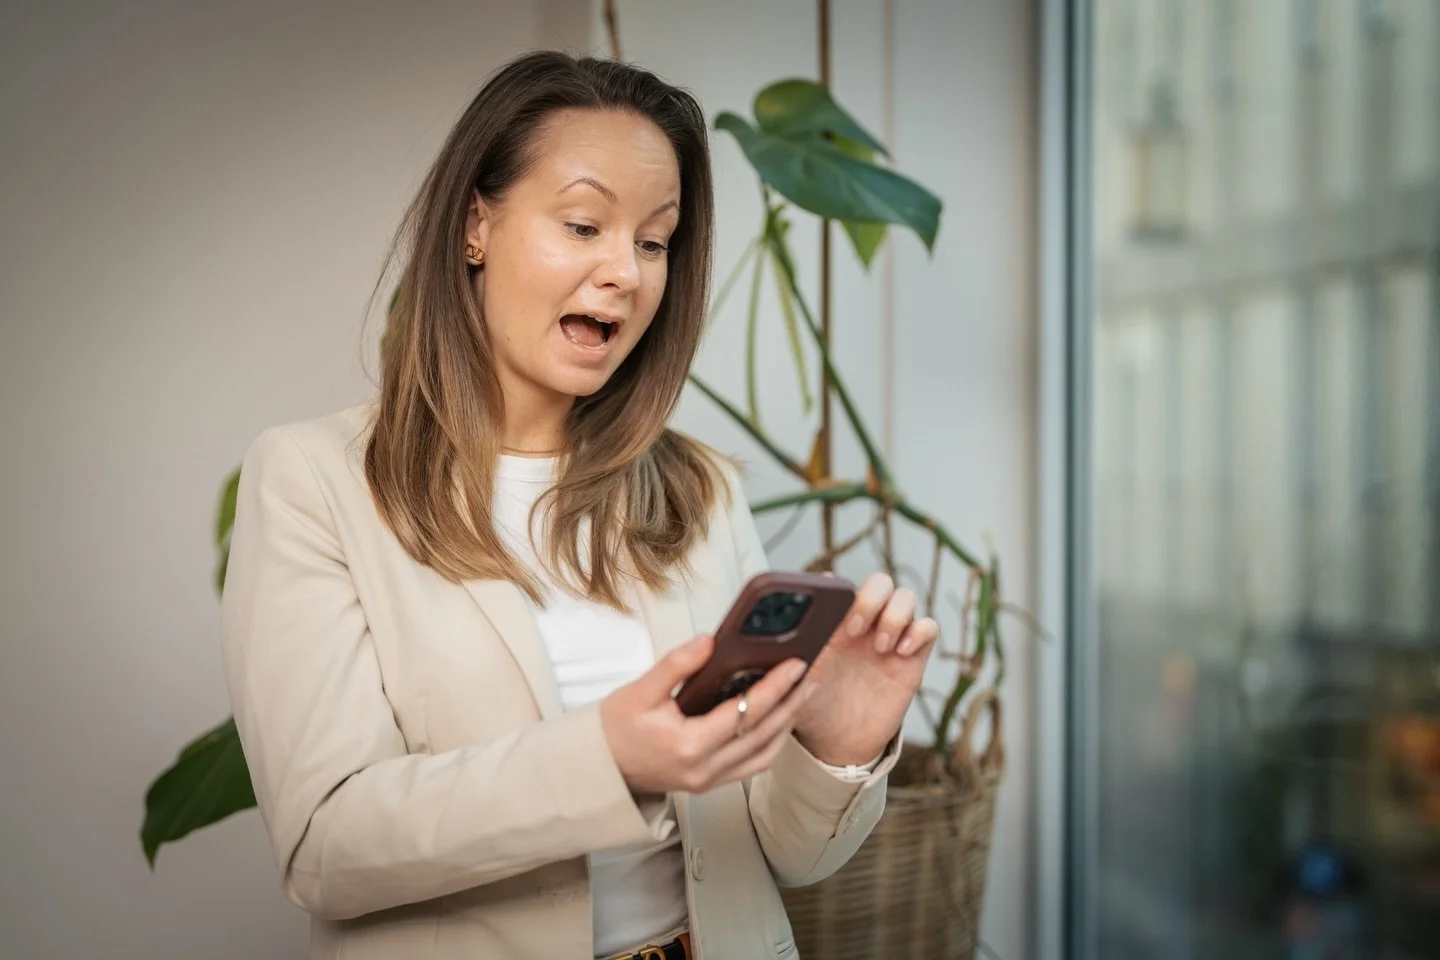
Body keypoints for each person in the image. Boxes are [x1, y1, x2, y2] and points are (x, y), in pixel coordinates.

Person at [220, 50, 939, 960]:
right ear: (475, 226)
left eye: (654, 241)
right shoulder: (313, 482)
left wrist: (838, 746)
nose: (626, 273)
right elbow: (326, 846)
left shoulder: (701, 489)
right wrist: (607, 761)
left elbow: (782, 856)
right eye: (583, 225)